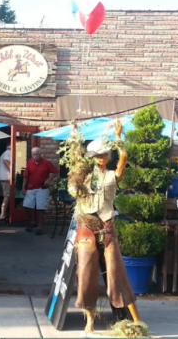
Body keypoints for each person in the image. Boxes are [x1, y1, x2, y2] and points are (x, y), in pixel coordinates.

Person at [68, 120, 140, 334]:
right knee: (86, 272)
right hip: (86, 228)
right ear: (93, 157)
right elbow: (75, 157)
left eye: (105, 154)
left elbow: (124, 158)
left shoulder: (112, 175)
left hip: (107, 226)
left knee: (116, 271)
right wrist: (75, 136)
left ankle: (134, 320)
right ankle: (89, 321)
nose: (102, 158)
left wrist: (119, 137)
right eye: (99, 155)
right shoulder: (84, 175)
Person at [22, 147, 59, 235]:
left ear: (40, 154)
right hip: (31, 187)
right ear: (32, 155)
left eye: (37, 154)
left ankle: (40, 227)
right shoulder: (30, 163)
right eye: (34, 154)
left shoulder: (46, 163)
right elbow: (26, 176)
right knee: (26, 206)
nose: (36, 156)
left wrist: (48, 180)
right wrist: (24, 187)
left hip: (42, 188)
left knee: (40, 208)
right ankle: (33, 222)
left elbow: (56, 172)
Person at [0, 145, 11, 221]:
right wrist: (13, 170)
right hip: (6, 178)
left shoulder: (4, 153)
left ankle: (5, 213)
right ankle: (2, 215)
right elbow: (5, 161)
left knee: (5, 196)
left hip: (2, 178)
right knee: (7, 195)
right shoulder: (8, 152)